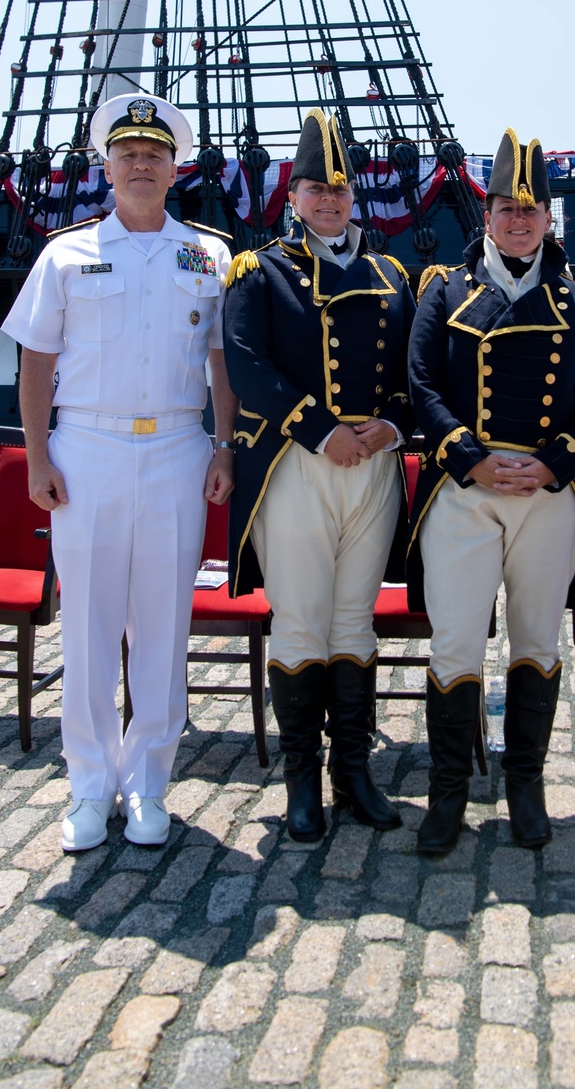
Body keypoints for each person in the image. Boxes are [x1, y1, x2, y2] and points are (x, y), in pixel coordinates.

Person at [3, 93, 235, 852]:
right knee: (91, 631)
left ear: (176, 168)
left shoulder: (208, 255)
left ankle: (149, 785)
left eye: (156, 154)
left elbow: (221, 364)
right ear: (107, 165)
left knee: (164, 629)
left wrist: (225, 446)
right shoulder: (63, 255)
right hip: (88, 451)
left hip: (176, 449)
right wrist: (38, 457)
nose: (142, 164)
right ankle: (90, 787)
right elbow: (36, 362)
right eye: (128, 153)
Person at [407, 129, 575, 855]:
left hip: (547, 494)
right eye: (504, 206)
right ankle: (447, 794)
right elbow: (422, 382)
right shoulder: (444, 290)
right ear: (485, 215)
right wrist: (466, 454)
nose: (517, 219)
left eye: (530, 207)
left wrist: (558, 463)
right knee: (457, 641)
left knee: (536, 639)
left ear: (548, 218)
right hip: (467, 489)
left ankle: (526, 785)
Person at [223, 110, 415, 842]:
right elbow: (246, 364)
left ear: (352, 196)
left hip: (372, 467)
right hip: (294, 466)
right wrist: (319, 429)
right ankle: (303, 775)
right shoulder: (259, 270)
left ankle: (353, 772)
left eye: (339, 187)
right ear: (291, 197)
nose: (328, 200)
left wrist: (390, 428)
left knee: (353, 621)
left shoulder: (391, 274)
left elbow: (411, 370)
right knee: (302, 623)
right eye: (314, 188)